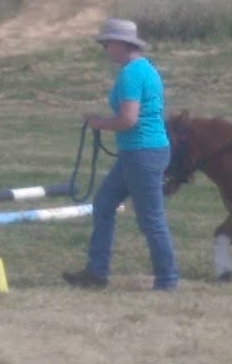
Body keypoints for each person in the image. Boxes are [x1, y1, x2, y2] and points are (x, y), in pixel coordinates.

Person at [62, 18, 178, 291]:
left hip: (142, 152)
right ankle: (96, 272)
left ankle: (167, 279)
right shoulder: (145, 69)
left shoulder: (130, 75)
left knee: (150, 218)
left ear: (121, 43)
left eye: (107, 43)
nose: (105, 49)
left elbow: (128, 119)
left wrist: (100, 123)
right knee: (104, 203)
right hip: (140, 152)